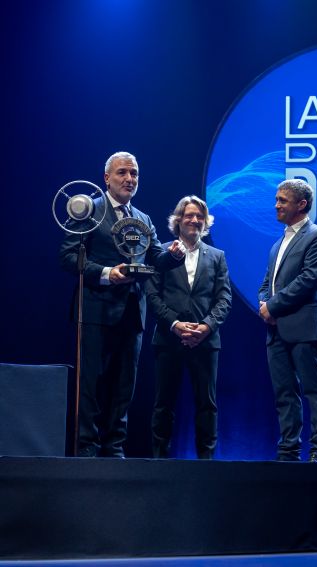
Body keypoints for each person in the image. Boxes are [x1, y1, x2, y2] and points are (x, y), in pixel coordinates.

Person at [59, 151, 184, 457]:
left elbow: (156, 258)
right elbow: (68, 256)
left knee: (124, 385)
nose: (130, 179)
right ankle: (86, 448)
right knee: (91, 383)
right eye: (123, 173)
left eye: (134, 174)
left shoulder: (142, 219)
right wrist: (106, 273)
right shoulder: (89, 209)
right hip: (94, 310)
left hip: (131, 313)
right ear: (107, 178)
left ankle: (114, 448)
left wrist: (174, 255)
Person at [145, 196, 232, 459]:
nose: (194, 220)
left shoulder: (217, 256)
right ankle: (160, 462)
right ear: (178, 220)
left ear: (206, 222)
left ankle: (206, 463)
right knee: (164, 404)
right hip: (168, 339)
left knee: (207, 405)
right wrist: (174, 324)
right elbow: (152, 295)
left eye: (200, 216)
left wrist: (205, 327)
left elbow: (224, 299)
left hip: (205, 341)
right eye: (189, 215)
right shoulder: (160, 253)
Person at [258, 179, 317, 462]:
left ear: (301, 204)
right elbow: (267, 282)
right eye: (276, 199)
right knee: (284, 394)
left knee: (314, 391)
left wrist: (273, 307)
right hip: (276, 331)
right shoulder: (277, 244)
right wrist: (264, 303)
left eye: (282, 200)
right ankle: (288, 452)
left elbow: (308, 280)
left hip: (305, 328)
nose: (276, 205)